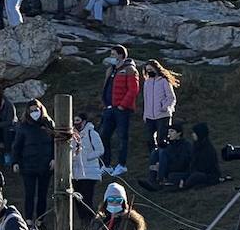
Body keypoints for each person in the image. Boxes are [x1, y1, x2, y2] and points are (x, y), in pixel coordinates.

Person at [11, 99, 56, 227]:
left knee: (43, 194)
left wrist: (54, 158)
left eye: (36, 110)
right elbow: (17, 146)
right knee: (29, 194)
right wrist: (15, 162)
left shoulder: (48, 124)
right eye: (31, 111)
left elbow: (55, 142)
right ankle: (29, 219)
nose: (34, 113)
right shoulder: (23, 126)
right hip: (28, 165)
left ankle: (41, 219)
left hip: (45, 165)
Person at [98, 45, 140, 176]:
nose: (111, 57)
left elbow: (133, 90)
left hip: (122, 110)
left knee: (122, 137)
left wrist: (123, 105)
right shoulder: (110, 70)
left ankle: (122, 165)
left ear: (121, 55)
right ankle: (107, 165)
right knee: (104, 136)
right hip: (109, 109)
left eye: (113, 54)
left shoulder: (130, 70)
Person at [142, 60, 180, 161]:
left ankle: (163, 158)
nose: (150, 71)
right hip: (150, 116)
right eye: (148, 70)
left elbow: (171, 98)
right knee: (149, 139)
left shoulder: (164, 81)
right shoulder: (147, 83)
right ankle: (153, 158)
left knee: (161, 139)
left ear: (156, 68)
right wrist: (145, 114)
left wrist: (165, 107)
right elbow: (145, 99)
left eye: (151, 69)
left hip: (163, 116)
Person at [141, 122, 194, 191]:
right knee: (156, 151)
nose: (169, 134)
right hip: (169, 167)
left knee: (163, 152)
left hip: (180, 169)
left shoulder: (186, 145)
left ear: (179, 133)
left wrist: (164, 166)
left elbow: (182, 162)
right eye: (169, 131)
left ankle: (159, 180)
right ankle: (152, 179)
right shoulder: (169, 144)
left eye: (172, 131)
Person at [72, 112, 106, 216]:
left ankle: (90, 219)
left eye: (78, 120)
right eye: (74, 121)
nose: (75, 123)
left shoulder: (92, 133)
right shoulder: (72, 135)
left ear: (84, 121)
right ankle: (83, 220)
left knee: (87, 198)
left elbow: (100, 150)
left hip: (90, 173)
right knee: (77, 199)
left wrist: (86, 157)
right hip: (76, 173)